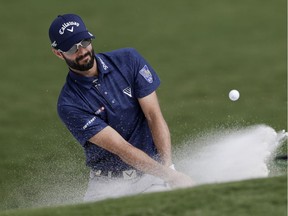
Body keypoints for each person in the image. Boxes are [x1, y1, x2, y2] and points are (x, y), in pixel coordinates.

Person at [48, 14, 194, 201]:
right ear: (58, 53)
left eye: (84, 41)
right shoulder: (69, 103)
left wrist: (168, 168)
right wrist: (171, 176)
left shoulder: (129, 60)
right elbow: (121, 148)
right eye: (72, 48)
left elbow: (153, 116)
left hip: (152, 174)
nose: (82, 50)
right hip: (106, 185)